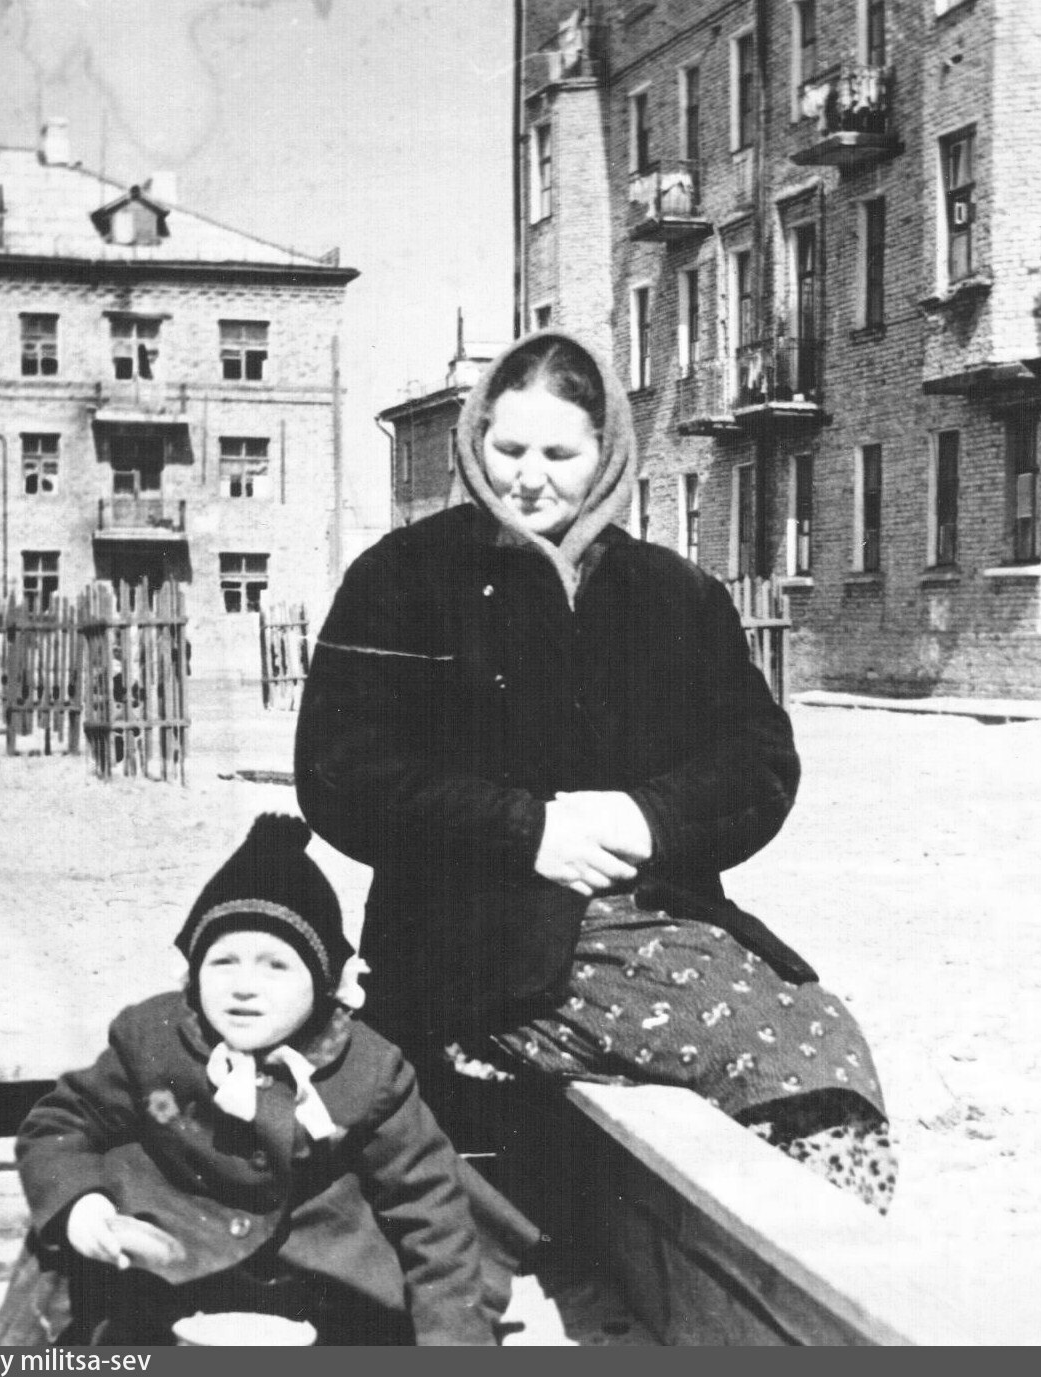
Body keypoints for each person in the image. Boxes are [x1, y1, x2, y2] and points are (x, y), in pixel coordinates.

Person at [295, 330, 896, 1213]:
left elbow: (758, 761)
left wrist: (646, 816)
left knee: (821, 1045)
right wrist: (525, 830)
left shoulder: (671, 593)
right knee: (759, 1046)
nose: (527, 478)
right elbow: (341, 769)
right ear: (474, 440)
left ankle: (793, 1276)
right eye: (508, 449)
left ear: (605, 453)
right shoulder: (402, 578)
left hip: (656, 921)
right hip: (466, 930)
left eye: (558, 455)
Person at [0, 813, 537, 1346]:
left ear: (324, 983)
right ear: (193, 974)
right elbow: (60, 1124)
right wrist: (81, 1205)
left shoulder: (370, 1069)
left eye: (277, 966)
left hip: (317, 1268)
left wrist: (451, 1343)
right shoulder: (152, 1039)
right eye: (223, 962)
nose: (245, 986)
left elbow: (430, 1207)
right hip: (175, 1251)